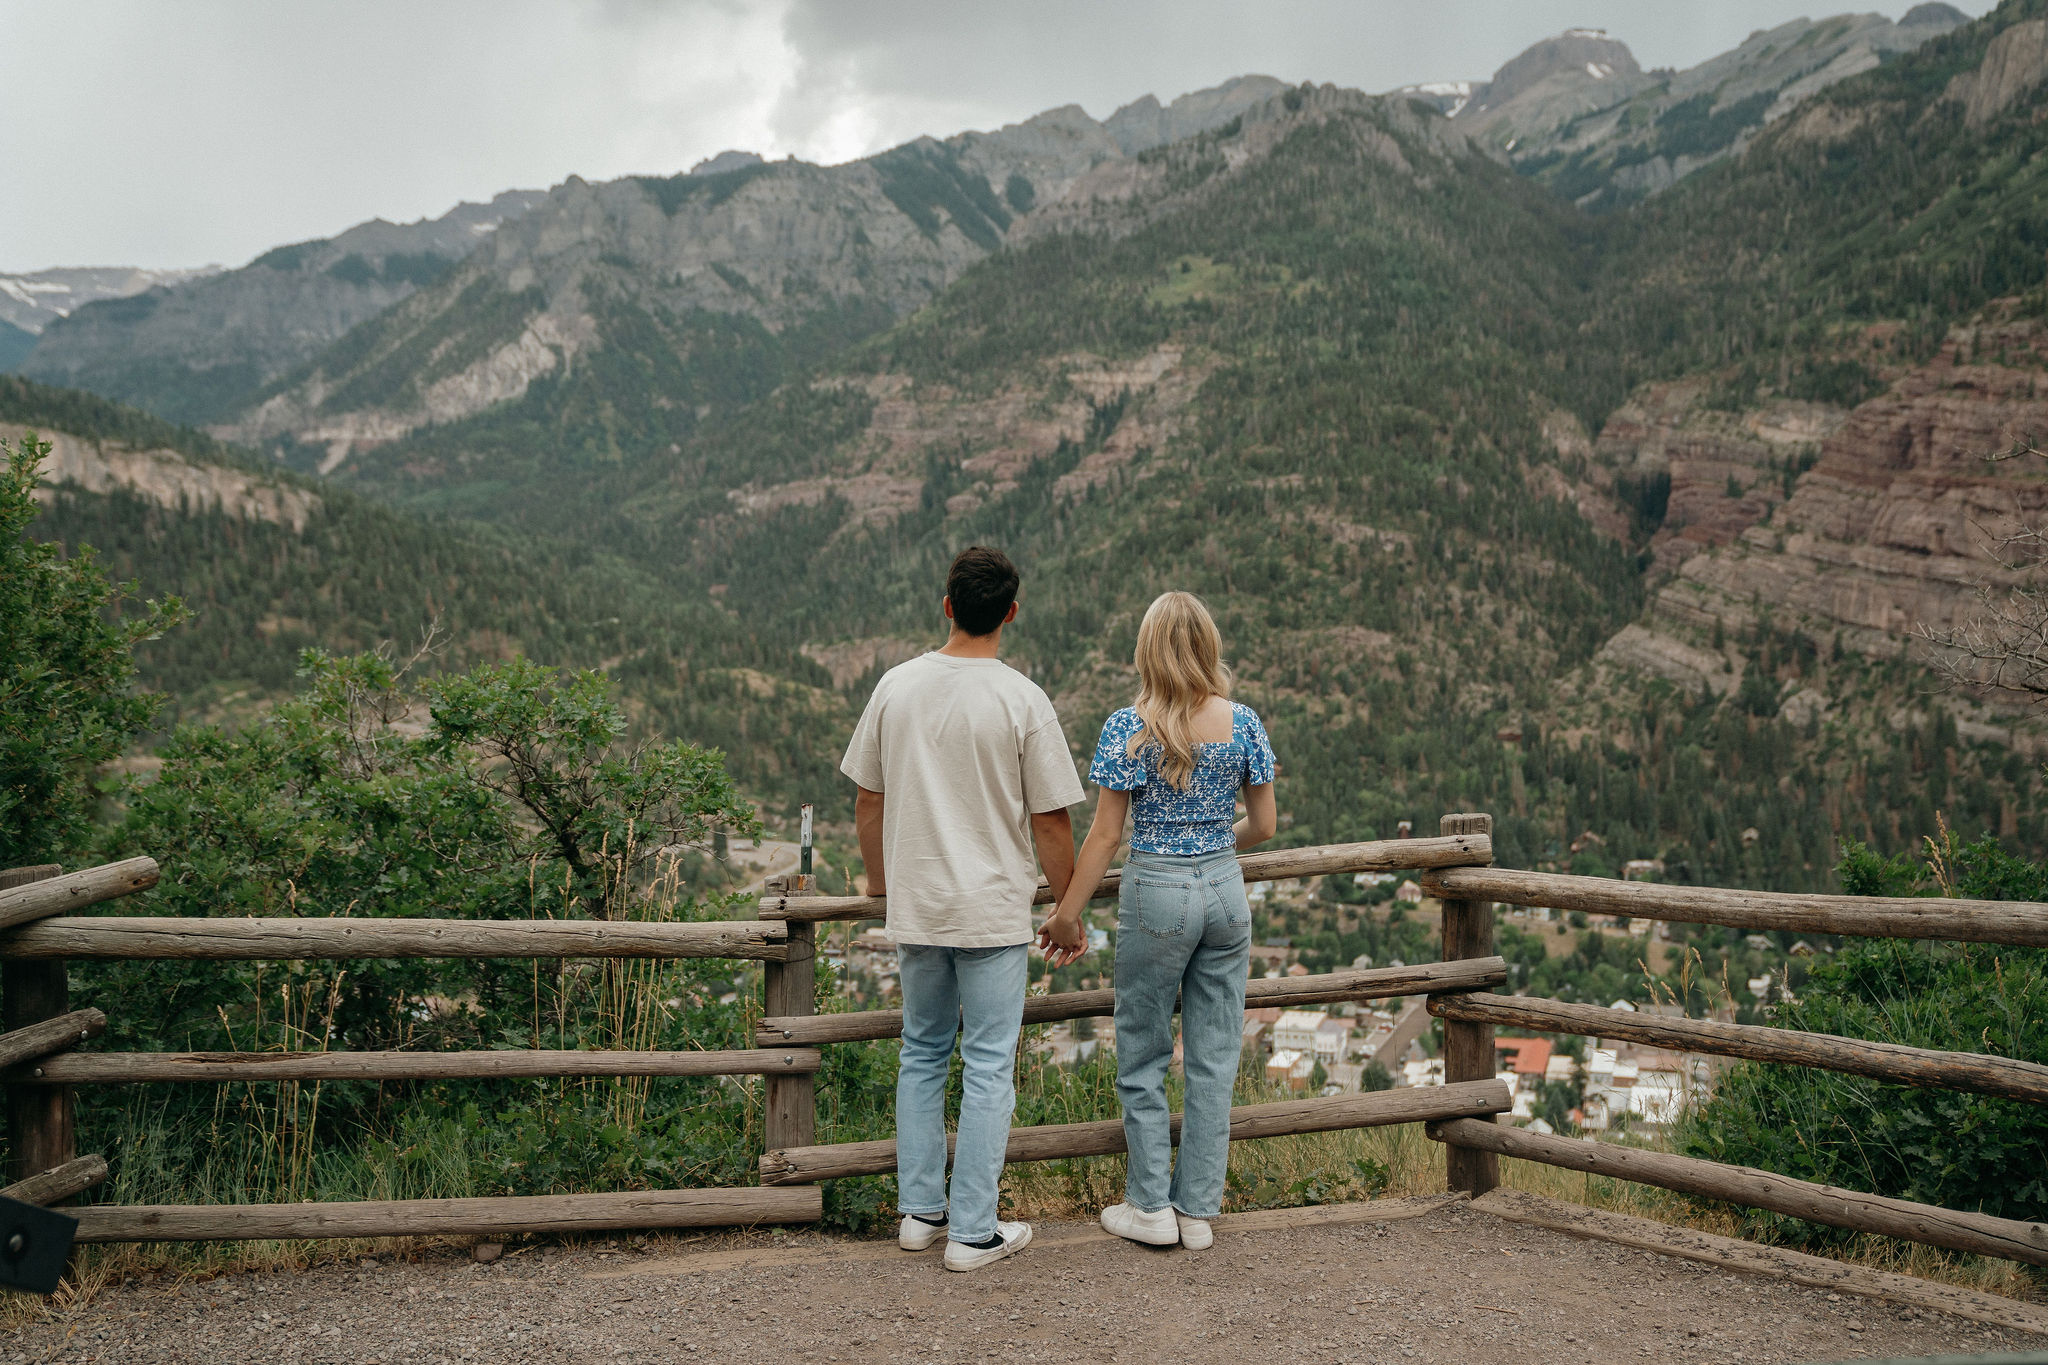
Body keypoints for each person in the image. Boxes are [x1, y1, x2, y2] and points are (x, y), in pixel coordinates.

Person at [841, 545, 1085, 1272]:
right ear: (1010, 612)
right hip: (991, 910)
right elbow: (1050, 823)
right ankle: (973, 1230)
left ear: (946, 604)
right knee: (986, 1066)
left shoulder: (895, 687)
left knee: (920, 1052)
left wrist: (883, 884)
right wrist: (1070, 905)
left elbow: (867, 801)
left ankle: (920, 1211)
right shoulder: (1022, 699)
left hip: (919, 908)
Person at [1039, 590, 1276, 1251]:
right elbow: (1265, 825)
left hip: (1158, 892)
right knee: (1214, 1054)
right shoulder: (1245, 723)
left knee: (1142, 1054)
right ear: (1208, 645)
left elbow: (1107, 834)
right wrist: (1215, 840)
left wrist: (1066, 914)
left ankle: (1149, 1205)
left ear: (1147, 649)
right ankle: (1196, 1208)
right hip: (1225, 890)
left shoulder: (1127, 727)